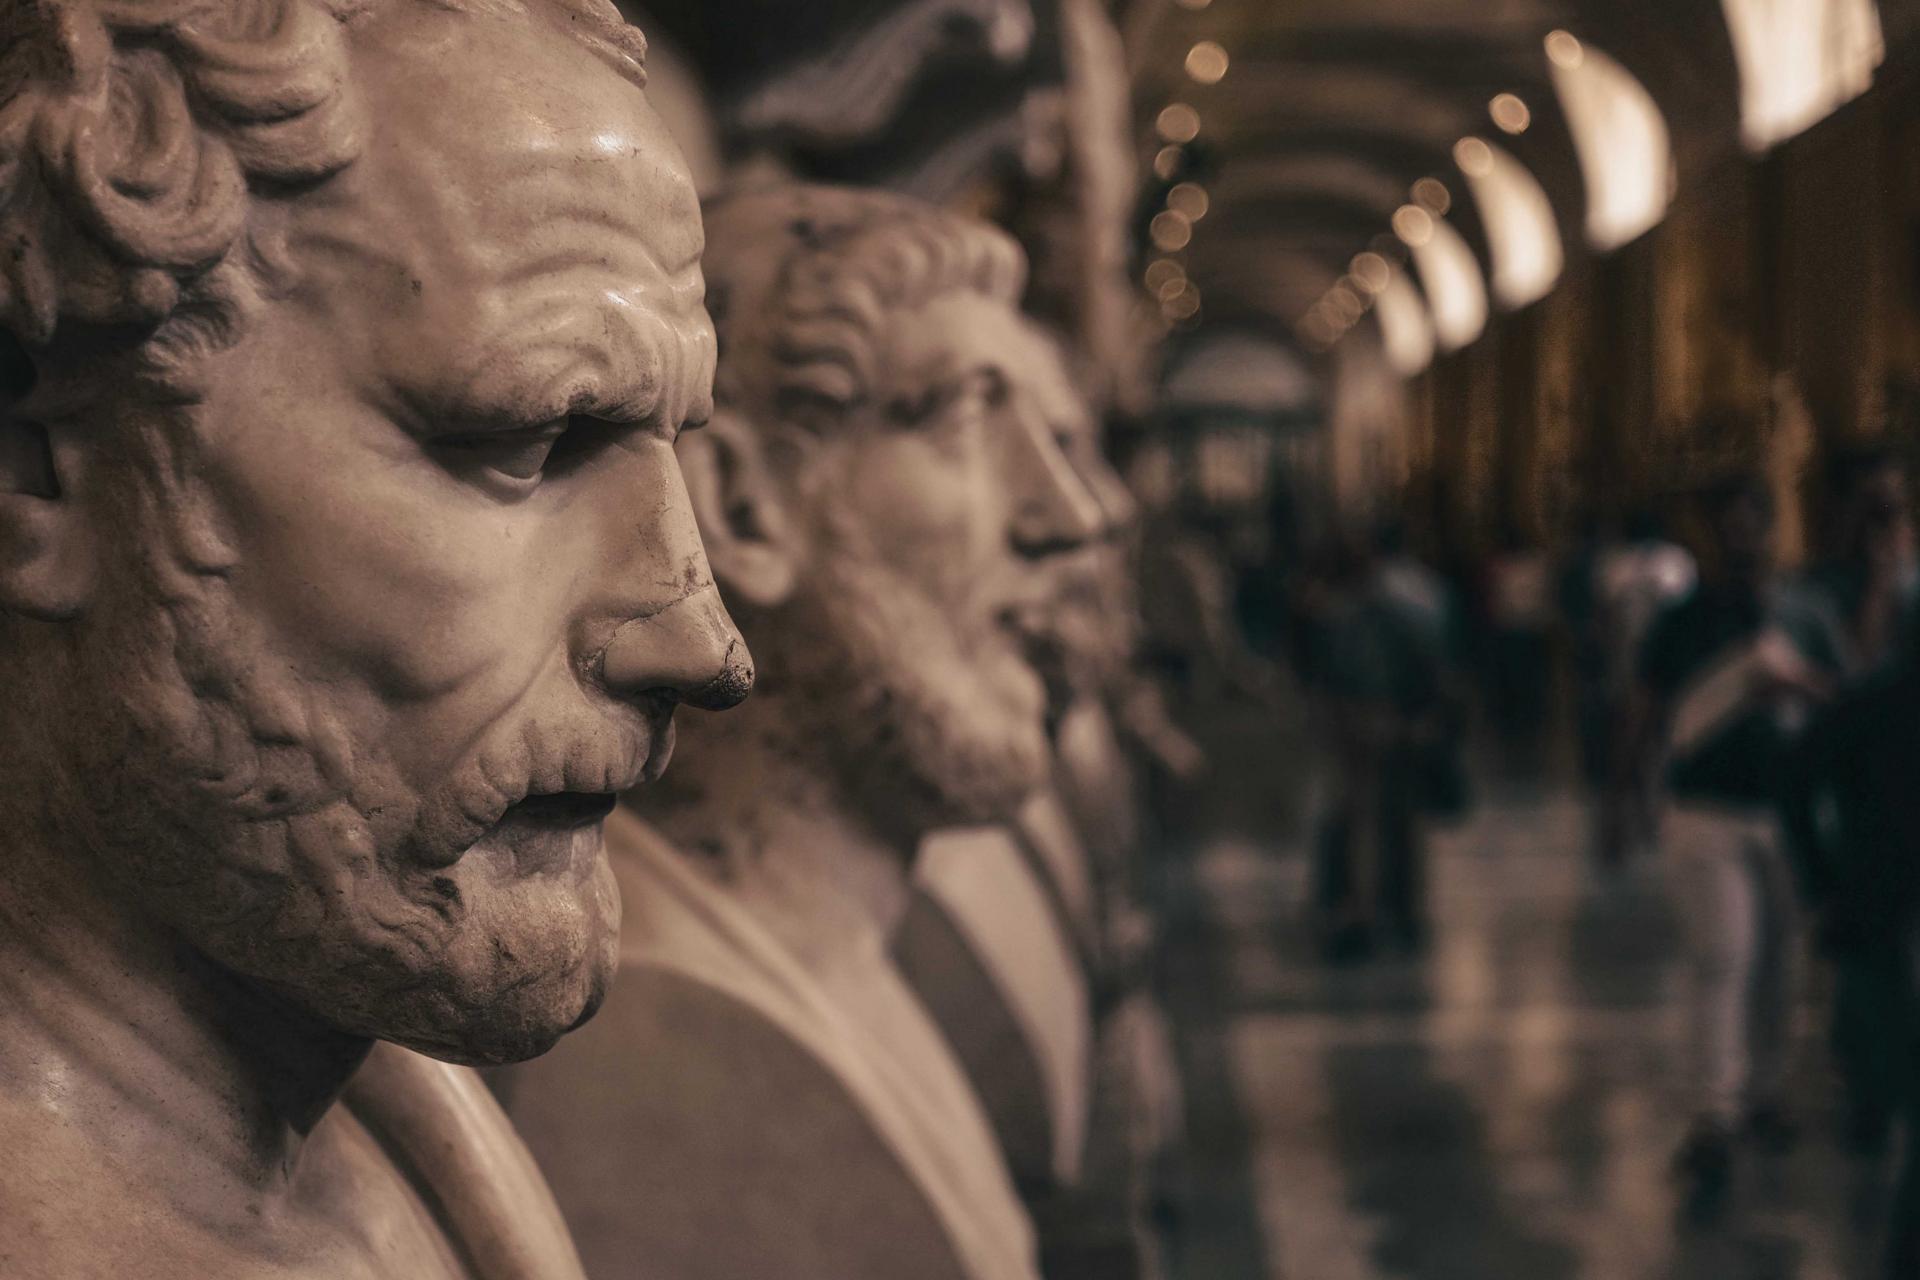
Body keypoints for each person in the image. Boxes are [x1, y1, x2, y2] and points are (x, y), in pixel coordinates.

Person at [0, 2, 752, 1274]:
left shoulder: (397, 1127)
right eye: (523, 443)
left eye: (672, 445)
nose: (705, 643)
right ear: (42, 471)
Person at [500, 185, 1114, 1280]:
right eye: (969, 415)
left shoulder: (853, 955)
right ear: (741, 509)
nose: (1070, 513)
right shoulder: (659, 1050)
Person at [1627, 472, 1845, 1210]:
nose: (1745, 535)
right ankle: (1713, 1114)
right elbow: (1649, 706)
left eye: (1757, 519)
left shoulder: (1805, 613)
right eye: (1732, 521)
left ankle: (1763, 1092)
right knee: (1723, 956)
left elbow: (1849, 695)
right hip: (1705, 809)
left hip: (1785, 811)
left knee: (1781, 963)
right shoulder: (1683, 618)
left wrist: (1802, 689)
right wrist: (1623, 796)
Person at [1780, 632, 1920, 1276]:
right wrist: (1825, 880)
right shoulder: (1878, 699)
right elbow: (1798, 778)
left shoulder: (1871, 696)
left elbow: (1797, 778)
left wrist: (1824, 880)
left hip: (1875, 912)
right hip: (1884, 915)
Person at [1793, 445, 1919, 1155]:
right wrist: (1877, 581)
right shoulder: (1818, 594)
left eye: (1897, 508)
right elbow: (1861, 679)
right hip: (1860, 795)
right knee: (1868, 965)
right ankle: (1870, 1086)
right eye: (1876, 509)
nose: (1890, 523)